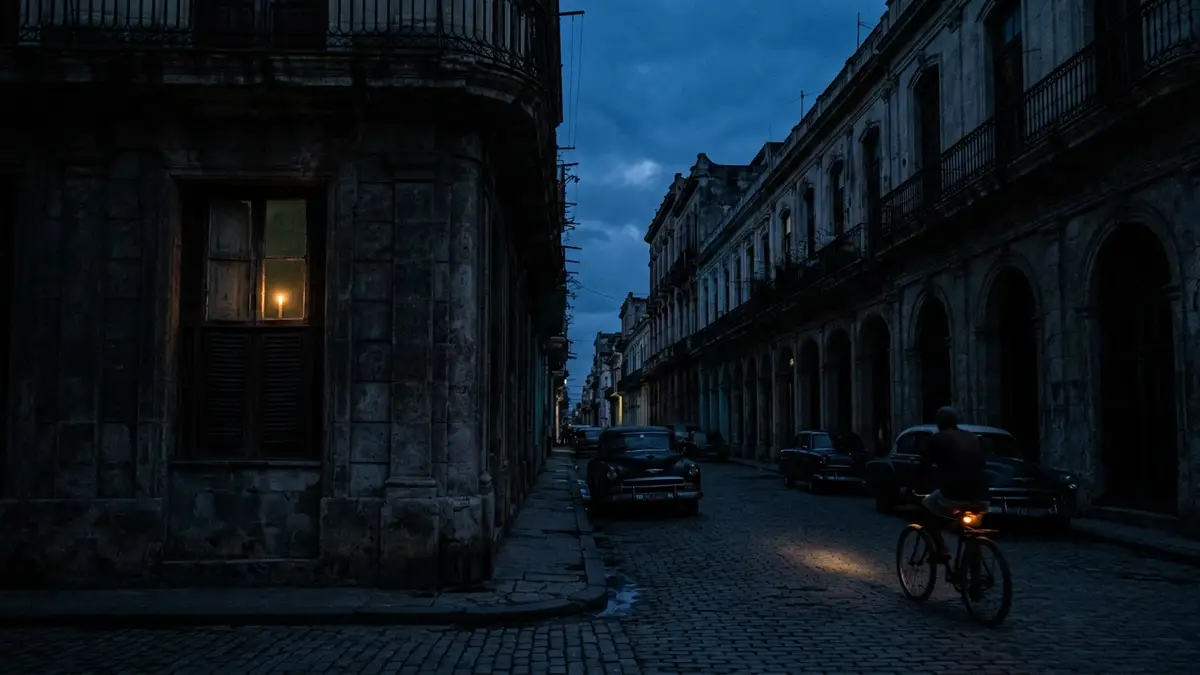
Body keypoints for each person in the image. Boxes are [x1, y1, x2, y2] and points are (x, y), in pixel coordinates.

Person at [910, 406, 989, 562]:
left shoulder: (937, 439)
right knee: (971, 532)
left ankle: (941, 549)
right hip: (982, 493)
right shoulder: (972, 437)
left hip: (955, 492)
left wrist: (911, 486)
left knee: (927, 508)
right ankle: (973, 574)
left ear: (938, 423)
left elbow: (923, 466)